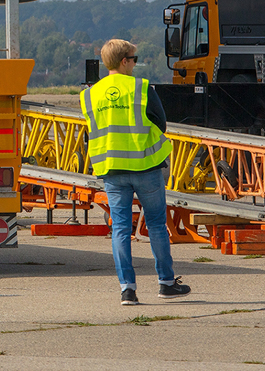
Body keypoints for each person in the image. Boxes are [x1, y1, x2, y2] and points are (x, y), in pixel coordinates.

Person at [81, 38, 190, 305]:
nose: (135, 64)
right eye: (135, 59)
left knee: (119, 228)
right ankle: (166, 283)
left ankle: (127, 289)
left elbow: (91, 132)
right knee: (155, 225)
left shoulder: (90, 94)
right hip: (145, 166)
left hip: (111, 169)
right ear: (124, 61)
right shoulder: (141, 88)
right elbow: (161, 124)